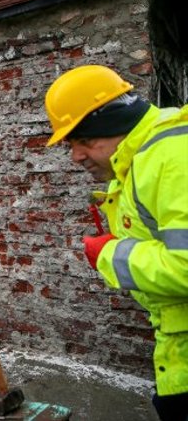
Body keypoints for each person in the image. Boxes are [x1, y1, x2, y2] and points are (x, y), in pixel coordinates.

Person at [44, 65, 188, 421]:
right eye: (70, 144)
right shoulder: (135, 163)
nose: (75, 156)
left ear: (112, 123)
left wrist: (108, 252)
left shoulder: (172, 158)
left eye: (83, 140)